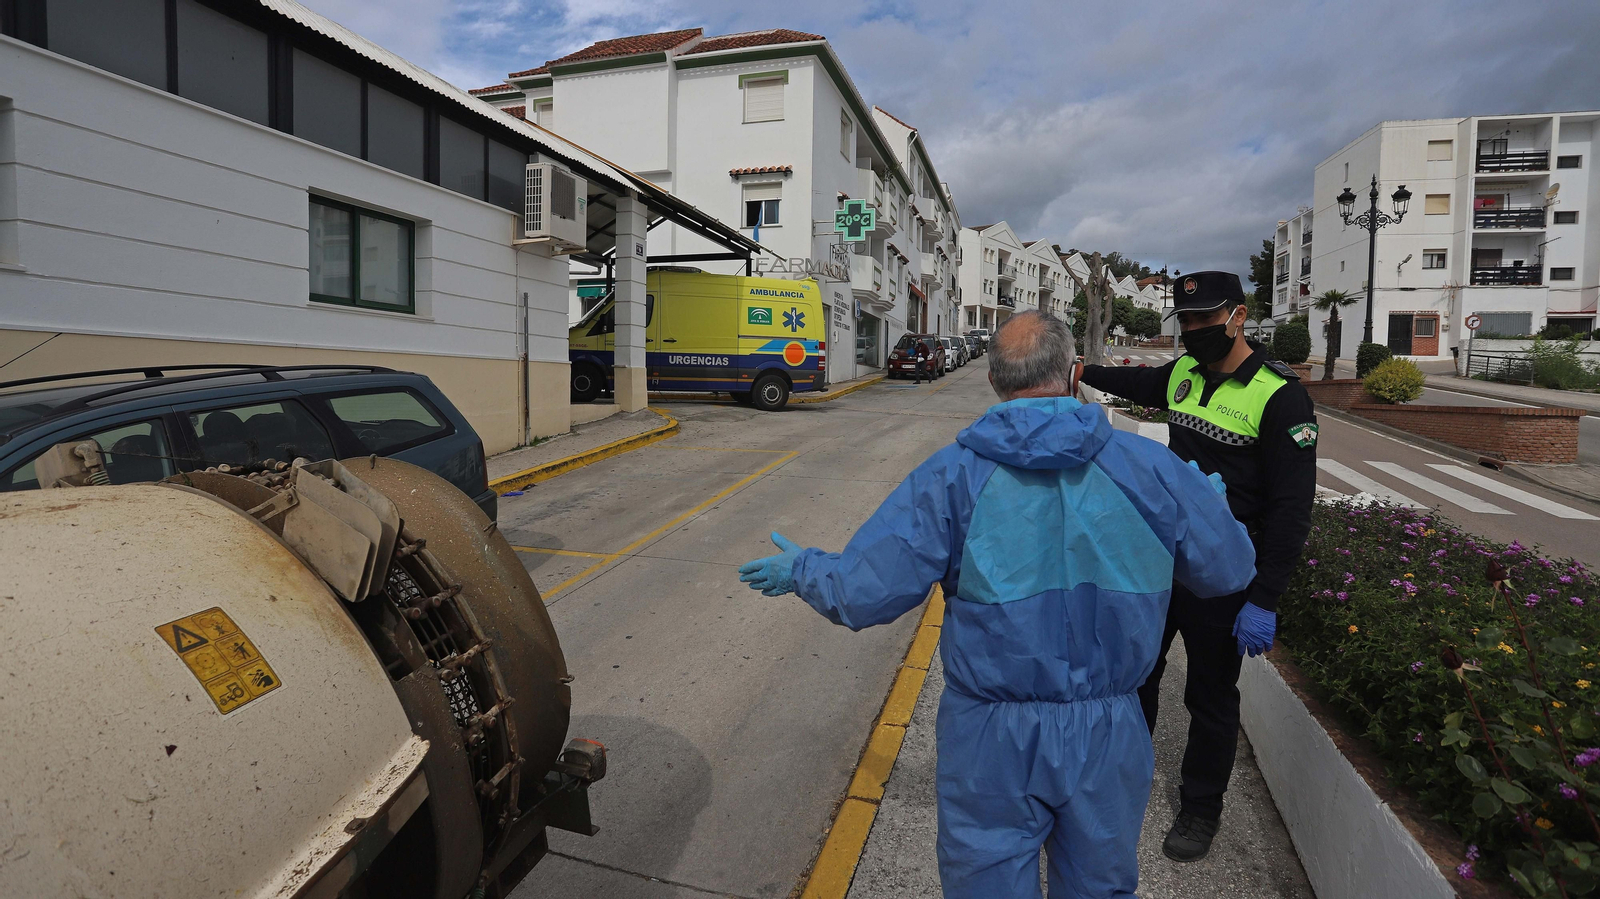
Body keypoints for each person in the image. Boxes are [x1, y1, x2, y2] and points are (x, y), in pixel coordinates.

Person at [738, 310, 1256, 898]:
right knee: (1100, 888)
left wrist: (803, 567)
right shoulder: (1149, 469)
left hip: (990, 737)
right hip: (1108, 731)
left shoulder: (951, 477)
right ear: (1071, 372)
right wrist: (1211, 508)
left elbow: (862, 592)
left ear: (993, 381)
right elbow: (1229, 570)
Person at [1078, 271, 1318, 863]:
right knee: (1137, 675)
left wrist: (1264, 597)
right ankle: (1121, 779)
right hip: (1161, 562)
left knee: (1210, 698)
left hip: (1226, 575)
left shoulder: (1279, 395)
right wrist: (1081, 371)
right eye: (1184, 321)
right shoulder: (1185, 374)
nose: (1193, 332)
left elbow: (1291, 510)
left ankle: (1200, 809)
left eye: (1204, 320)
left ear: (1238, 317)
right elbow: (1140, 381)